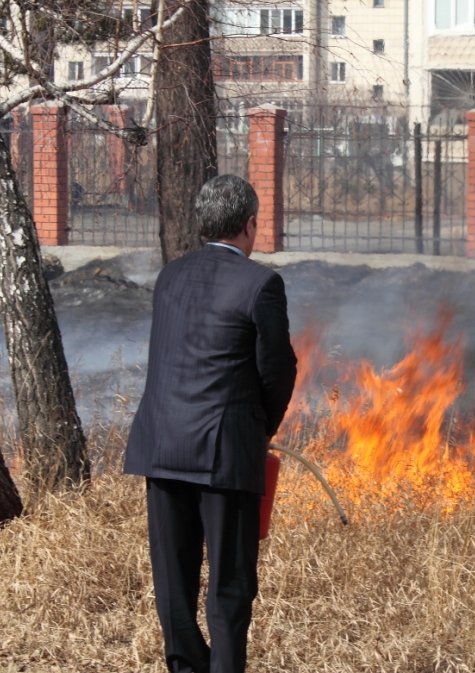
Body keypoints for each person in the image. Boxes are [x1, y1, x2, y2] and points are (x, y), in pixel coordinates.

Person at [124, 174, 297, 673]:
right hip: (224, 456)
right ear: (250, 225)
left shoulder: (171, 276)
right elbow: (278, 371)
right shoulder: (261, 283)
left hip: (162, 445)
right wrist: (260, 430)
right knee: (230, 586)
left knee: (173, 583)